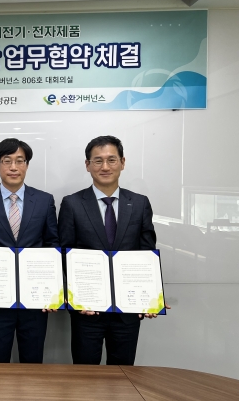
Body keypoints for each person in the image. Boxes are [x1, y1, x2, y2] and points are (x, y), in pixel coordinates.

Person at [58, 135, 168, 366]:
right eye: (98, 161)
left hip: (128, 310)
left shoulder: (139, 203)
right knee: (85, 373)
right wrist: (75, 298)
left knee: (123, 374)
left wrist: (151, 296)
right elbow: (64, 255)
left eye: (111, 160)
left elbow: (146, 252)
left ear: (122, 162)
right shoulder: (72, 203)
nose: (105, 167)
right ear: (87, 165)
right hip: (87, 310)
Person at [0, 138, 59, 363]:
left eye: (20, 161)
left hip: (36, 299)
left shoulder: (44, 200)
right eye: (6, 161)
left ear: (27, 165)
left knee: (33, 362)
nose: (13, 167)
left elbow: (52, 245)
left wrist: (54, 288)